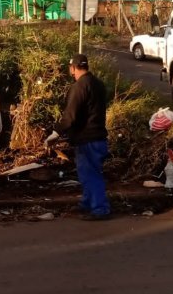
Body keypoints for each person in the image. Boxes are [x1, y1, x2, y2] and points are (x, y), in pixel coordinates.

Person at [45, 54, 110, 221]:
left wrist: (56, 133)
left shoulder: (79, 86)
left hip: (87, 138)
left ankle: (100, 208)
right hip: (98, 137)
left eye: (71, 69)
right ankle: (88, 203)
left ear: (73, 68)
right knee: (87, 174)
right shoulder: (98, 84)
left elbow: (70, 116)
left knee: (90, 175)